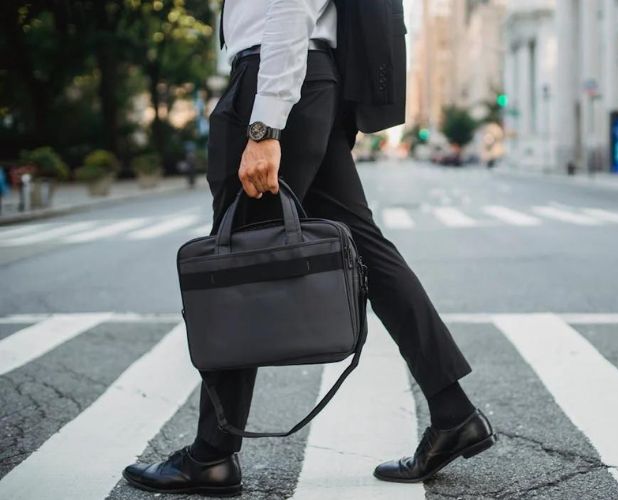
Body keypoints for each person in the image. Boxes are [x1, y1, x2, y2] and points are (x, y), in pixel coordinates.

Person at [122, 0, 495, 495]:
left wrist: (264, 126)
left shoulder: (272, 95)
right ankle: (454, 412)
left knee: (237, 264)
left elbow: (291, 7)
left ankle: (211, 455)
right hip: (306, 77)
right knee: (365, 249)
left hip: (275, 77)